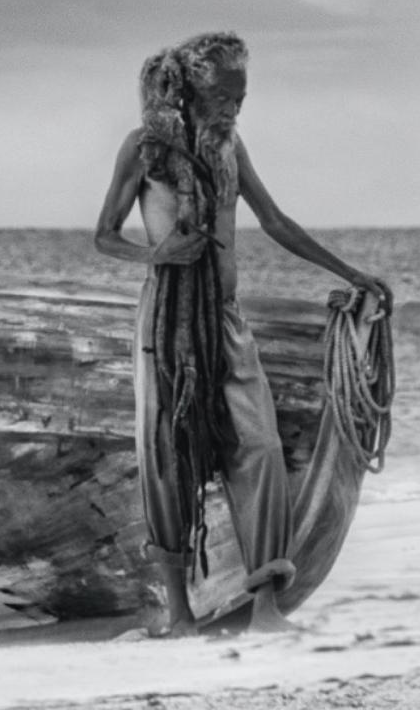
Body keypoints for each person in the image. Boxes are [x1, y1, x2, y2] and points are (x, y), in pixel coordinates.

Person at [92, 32, 387, 634]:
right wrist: (159, 255)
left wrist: (351, 273)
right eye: (226, 95)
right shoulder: (144, 149)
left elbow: (274, 220)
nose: (236, 106)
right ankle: (178, 614)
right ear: (197, 89)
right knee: (167, 456)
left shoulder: (230, 148)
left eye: (242, 96)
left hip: (224, 319)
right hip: (165, 322)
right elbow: (104, 234)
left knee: (260, 447)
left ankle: (265, 609)